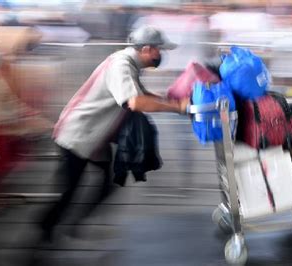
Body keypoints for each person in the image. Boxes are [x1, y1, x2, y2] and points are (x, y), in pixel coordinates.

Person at [40, 26, 190, 242]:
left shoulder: (128, 62)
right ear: (147, 49)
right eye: (159, 50)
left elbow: (140, 93)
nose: (161, 55)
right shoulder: (121, 65)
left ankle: (69, 225)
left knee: (106, 183)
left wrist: (169, 99)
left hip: (94, 137)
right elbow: (136, 102)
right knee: (68, 191)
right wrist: (177, 108)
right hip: (78, 135)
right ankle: (44, 233)